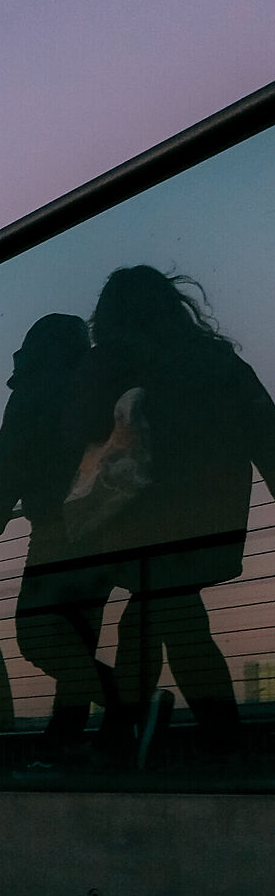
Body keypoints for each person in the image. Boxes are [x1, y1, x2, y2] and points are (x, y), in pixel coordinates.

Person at [68, 267, 275, 760]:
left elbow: (75, 428)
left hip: (142, 519)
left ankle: (183, 739)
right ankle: (143, 735)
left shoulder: (113, 362)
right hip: (209, 521)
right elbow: (265, 431)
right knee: (161, 615)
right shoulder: (214, 360)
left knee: (166, 616)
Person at [0, 315, 111, 762]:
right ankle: (64, 737)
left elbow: (9, 470)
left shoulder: (33, 391)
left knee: (37, 636)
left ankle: (129, 703)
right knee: (78, 639)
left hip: (56, 532)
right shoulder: (96, 384)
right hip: (106, 528)